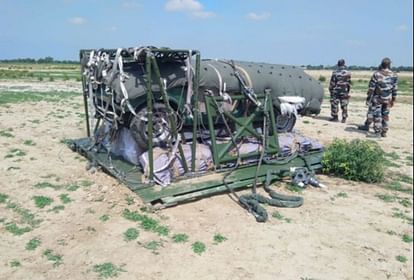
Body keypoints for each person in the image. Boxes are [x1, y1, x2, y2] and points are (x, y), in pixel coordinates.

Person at [358, 57, 398, 137]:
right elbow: (395, 89)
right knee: (385, 114)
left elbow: (371, 88)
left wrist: (368, 98)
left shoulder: (376, 74)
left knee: (377, 114)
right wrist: (393, 99)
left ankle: (377, 132)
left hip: (377, 98)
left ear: (381, 64)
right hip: (388, 98)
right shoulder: (394, 75)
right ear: (389, 65)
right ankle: (384, 131)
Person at [329, 59, 352, 123]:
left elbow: (332, 83)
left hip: (336, 90)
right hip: (344, 90)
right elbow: (349, 83)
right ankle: (344, 117)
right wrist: (348, 91)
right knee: (344, 104)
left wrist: (331, 91)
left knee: (334, 104)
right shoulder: (348, 73)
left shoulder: (335, 73)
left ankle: (335, 117)